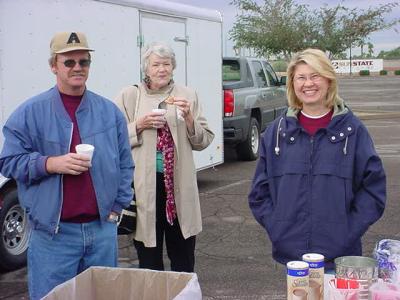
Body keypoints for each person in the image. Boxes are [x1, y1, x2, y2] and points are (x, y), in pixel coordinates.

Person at [0, 31, 134, 299]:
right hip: (53, 236)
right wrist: (50, 163)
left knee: (103, 296)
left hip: (102, 232)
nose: (77, 68)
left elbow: (125, 165)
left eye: (83, 62)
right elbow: (8, 162)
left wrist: (116, 209)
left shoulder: (109, 112)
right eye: (69, 62)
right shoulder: (30, 112)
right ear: (53, 66)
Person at [248, 48, 386, 270]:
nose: (308, 84)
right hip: (293, 259)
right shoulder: (276, 133)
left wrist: (347, 230)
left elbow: (373, 191)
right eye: (301, 77)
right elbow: (259, 193)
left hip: (340, 259)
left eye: (315, 76)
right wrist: (278, 228)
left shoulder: (353, 131)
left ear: (329, 81)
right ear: (292, 84)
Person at [115, 42, 214, 272]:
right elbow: (112, 138)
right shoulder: (130, 95)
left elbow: (204, 140)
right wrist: (138, 125)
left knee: (183, 258)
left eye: (166, 64)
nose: (162, 69)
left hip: (179, 187)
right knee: (149, 260)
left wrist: (189, 118)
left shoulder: (187, 95)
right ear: (146, 69)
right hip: (145, 189)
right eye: (156, 64)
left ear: (173, 67)